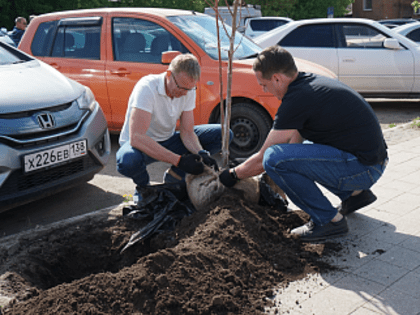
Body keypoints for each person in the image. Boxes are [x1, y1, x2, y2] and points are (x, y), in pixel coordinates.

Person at [219, 45, 388, 242]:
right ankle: (356, 195)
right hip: (372, 162)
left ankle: (329, 221)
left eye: (263, 84)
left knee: (273, 159)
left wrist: (231, 175)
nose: (264, 90)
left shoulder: (297, 99)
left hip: (364, 168)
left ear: (277, 78)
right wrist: (283, 172)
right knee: (284, 158)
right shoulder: (309, 85)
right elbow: (296, 139)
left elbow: (264, 158)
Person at [117, 53, 232, 203]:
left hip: (168, 139)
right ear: (169, 75)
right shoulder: (147, 88)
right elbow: (137, 137)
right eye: (181, 88)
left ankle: (174, 178)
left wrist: (201, 153)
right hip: (141, 146)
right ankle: (143, 188)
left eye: (189, 89)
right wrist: (180, 161)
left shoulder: (187, 89)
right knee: (127, 160)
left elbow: (187, 132)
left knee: (224, 134)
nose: (184, 93)